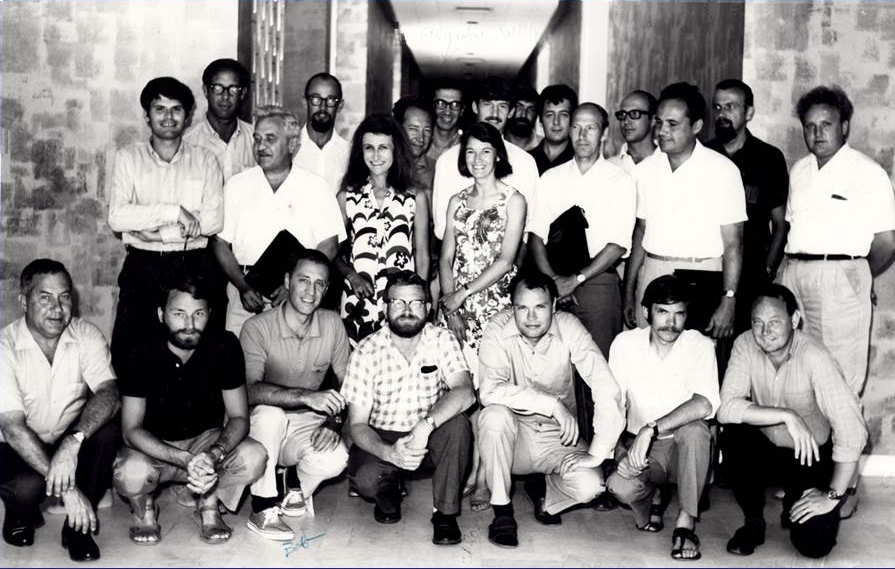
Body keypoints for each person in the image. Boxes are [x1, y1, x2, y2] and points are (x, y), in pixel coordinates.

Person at [778, 85, 895, 517]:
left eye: (826, 124)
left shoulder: (867, 173)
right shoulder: (800, 171)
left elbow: (885, 242)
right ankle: (806, 479)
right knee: (802, 378)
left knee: (843, 383)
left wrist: (856, 277)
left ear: (844, 125)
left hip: (842, 276)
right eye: (809, 126)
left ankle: (845, 490)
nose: (817, 133)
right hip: (798, 274)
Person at [113, 275, 266, 546]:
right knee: (131, 474)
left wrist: (213, 453)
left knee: (254, 456)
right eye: (179, 313)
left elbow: (240, 417)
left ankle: (208, 505)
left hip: (203, 444)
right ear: (161, 314)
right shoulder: (139, 350)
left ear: (209, 314)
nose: (189, 324)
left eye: (198, 314)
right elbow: (130, 430)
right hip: (154, 449)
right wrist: (182, 459)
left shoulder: (225, 345)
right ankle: (145, 509)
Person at [477, 272, 625, 547]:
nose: (531, 317)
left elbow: (607, 388)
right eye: (523, 307)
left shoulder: (569, 327)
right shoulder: (497, 327)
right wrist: (551, 403)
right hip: (514, 434)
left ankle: (545, 489)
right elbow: (489, 390)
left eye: (540, 307)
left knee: (590, 486)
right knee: (493, 416)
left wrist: (597, 453)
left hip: (558, 436)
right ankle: (502, 511)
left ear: (554, 305)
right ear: (512, 308)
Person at [719, 284, 867, 558]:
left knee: (814, 546)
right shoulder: (744, 344)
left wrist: (832, 496)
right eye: (758, 322)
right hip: (765, 449)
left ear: (795, 320)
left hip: (809, 457)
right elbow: (726, 408)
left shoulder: (815, 356)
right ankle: (753, 522)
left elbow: (852, 430)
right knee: (734, 434)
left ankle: (795, 498)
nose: (765, 332)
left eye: (775, 322)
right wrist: (787, 415)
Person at [342, 271, 475, 545]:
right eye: (397, 302)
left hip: (427, 435)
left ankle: (445, 514)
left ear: (428, 307)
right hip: (383, 436)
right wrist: (389, 452)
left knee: (459, 424)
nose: (406, 310)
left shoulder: (442, 339)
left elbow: (465, 392)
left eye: (415, 303)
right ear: (385, 307)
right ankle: (389, 488)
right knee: (367, 479)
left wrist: (425, 426)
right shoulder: (366, 351)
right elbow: (356, 425)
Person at [0, 260, 120, 562]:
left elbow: (109, 393)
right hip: (14, 445)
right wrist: (69, 492)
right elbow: (12, 428)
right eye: (45, 298)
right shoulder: (4, 346)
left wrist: (73, 441)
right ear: (23, 301)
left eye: (64, 297)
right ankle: (19, 514)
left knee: (107, 432)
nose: (57, 308)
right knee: (28, 488)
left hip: (66, 436)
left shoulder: (86, 335)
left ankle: (76, 529)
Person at [108, 76, 223, 374]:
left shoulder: (206, 160)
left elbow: (212, 221)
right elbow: (118, 217)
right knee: (133, 351)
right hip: (143, 267)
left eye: (176, 109)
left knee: (199, 354)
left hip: (194, 264)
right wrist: (176, 212)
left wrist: (154, 231)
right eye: (159, 109)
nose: (168, 117)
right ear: (147, 115)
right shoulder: (128, 158)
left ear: (187, 117)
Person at [622, 82, 746, 347]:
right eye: (659, 122)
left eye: (672, 124)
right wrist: (630, 291)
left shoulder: (722, 171)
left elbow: (734, 243)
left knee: (695, 361)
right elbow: (640, 234)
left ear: (697, 127)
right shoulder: (645, 170)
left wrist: (729, 298)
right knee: (650, 358)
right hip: (653, 271)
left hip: (701, 276)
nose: (662, 131)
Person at [607, 275, 720, 561]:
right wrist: (617, 452)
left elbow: (705, 403)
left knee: (695, 431)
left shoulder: (700, 345)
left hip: (685, 447)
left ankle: (686, 522)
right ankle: (653, 497)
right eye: (662, 312)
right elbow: (613, 404)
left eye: (678, 313)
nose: (671, 323)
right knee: (619, 487)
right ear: (646, 312)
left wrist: (652, 428)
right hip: (642, 449)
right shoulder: (624, 344)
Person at [240, 250, 350, 540]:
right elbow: (249, 391)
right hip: (260, 424)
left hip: (305, 423)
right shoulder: (256, 327)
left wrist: (333, 423)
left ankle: (291, 483)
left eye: (319, 284)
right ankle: (262, 507)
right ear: (288, 281)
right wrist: (305, 396)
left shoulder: (333, 324)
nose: (310, 291)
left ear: (327, 289)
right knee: (271, 415)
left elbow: (346, 382)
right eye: (303, 280)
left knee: (336, 458)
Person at [212, 105, 345, 337]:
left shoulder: (316, 187)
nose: (261, 146)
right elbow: (220, 243)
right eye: (257, 139)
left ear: (292, 145)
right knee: (241, 366)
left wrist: (293, 286)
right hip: (245, 293)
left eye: (270, 139)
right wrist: (243, 286)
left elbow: (329, 245)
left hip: (299, 297)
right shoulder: (236, 185)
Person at [336, 113, 431, 344]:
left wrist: (419, 297)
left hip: (402, 304)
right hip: (358, 302)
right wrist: (352, 276)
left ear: (395, 150)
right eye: (369, 148)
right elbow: (333, 254)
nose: (376, 156)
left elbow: (423, 256)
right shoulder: (346, 196)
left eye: (383, 148)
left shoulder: (415, 197)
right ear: (361, 152)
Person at [706, 79, 789, 332]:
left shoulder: (769, 159)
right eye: (718, 107)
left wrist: (768, 270)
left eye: (730, 107)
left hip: (752, 274)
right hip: (708, 270)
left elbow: (780, 224)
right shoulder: (704, 156)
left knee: (746, 350)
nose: (722, 114)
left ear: (749, 113)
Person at [432, 76, 539, 241]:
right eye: (488, 105)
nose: (494, 114)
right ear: (475, 107)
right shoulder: (448, 161)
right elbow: (441, 227)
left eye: (502, 106)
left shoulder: (525, 163)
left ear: (511, 112)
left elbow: (530, 226)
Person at [184, 58, 256, 182]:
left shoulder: (256, 139)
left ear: (243, 93)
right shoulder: (187, 142)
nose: (225, 96)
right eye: (217, 88)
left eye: (233, 89)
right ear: (206, 90)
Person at [294, 72, 351, 194]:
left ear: (340, 105)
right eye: (316, 99)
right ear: (305, 102)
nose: (323, 107)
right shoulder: (289, 148)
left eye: (331, 100)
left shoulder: (349, 154)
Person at [529, 84, 577, 175]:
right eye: (549, 115)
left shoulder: (581, 160)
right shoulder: (526, 160)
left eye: (563, 115)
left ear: (572, 120)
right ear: (540, 120)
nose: (556, 122)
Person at [610, 90, 660, 176]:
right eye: (623, 114)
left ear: (653, 120)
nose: (626, 121)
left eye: (634, 113)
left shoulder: (669, 164)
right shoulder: (609, 167)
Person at [393, 96, 436, 194]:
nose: (420, 138)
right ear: (397, 128)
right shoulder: (382, 165)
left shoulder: (437, 170)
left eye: (427, 130)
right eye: (413, 129)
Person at [426, 78, 465, 163]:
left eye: (455, 105)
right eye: (441, 103)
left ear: (461, 110)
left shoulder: (467, 146)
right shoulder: (420, 142)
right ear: (432, 106)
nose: (447, 112)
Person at [504, 83, 542, 152]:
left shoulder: (545, 147)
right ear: (510, 110)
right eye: (519, 107)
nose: (524, 114)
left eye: (531, 109)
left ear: (537, 114)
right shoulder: (496, 145)